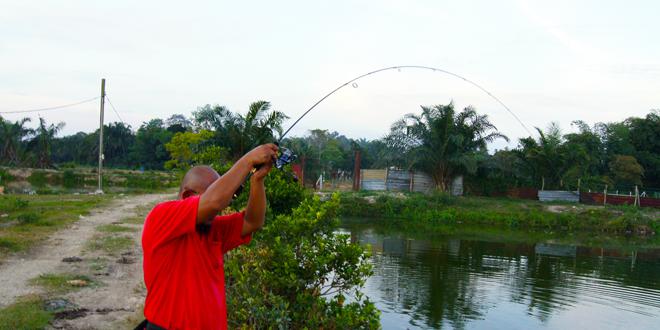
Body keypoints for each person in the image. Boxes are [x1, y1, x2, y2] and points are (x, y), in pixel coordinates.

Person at [138, 144, 278, 330]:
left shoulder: (213, 229)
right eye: (212, 191)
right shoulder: (161, 217)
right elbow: (214, 201)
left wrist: (257, 180)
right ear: (188, 195)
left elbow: (253, 222)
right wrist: (248, 160)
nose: (222, 206)